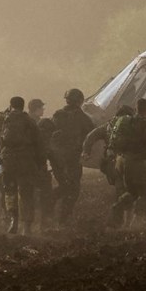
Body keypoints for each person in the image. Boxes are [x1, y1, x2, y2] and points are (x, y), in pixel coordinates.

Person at [108, 98, 146, 228]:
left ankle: (118, 206)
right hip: (134, 161)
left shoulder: (123, 121)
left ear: (136, 108)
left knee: (133, 192)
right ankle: (137, 223)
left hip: (120, 160)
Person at [49, 88, 96, 227]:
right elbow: (91, 134)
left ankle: (50, 206)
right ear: (80, 101)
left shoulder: (57, 115)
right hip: (72, 158)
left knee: (65, 185)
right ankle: (63, 217)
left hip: (57, 158)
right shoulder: (82, 117)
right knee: (73, 188)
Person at [0, 96, 43, 235]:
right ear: (23, 106)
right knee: (26, 193)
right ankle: (26, 227)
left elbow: (0, 140)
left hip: (8, 161)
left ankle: (13, 220)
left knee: (10, 191)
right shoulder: (29, 121)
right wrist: (41, 163)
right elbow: (38, 143)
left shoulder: (5, 119)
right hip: (25, 160)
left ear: (11, 105)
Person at [82, 104, 136, 200]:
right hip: (129, 160)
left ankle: (121, 206)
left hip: (112, 161)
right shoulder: (132, 125)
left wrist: (86, 151)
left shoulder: (108, 126)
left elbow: (90, 137)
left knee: (120, 185)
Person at [28, 98, 59, 231]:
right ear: (36, 109)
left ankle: (26, 226)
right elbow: (44, 148)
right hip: (37, 165)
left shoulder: (23, 123)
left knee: (26, 195)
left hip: (24, 164)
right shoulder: (38, 125)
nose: (43, 110)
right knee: (46, 193)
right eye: (41, 107)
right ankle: (45, 223)